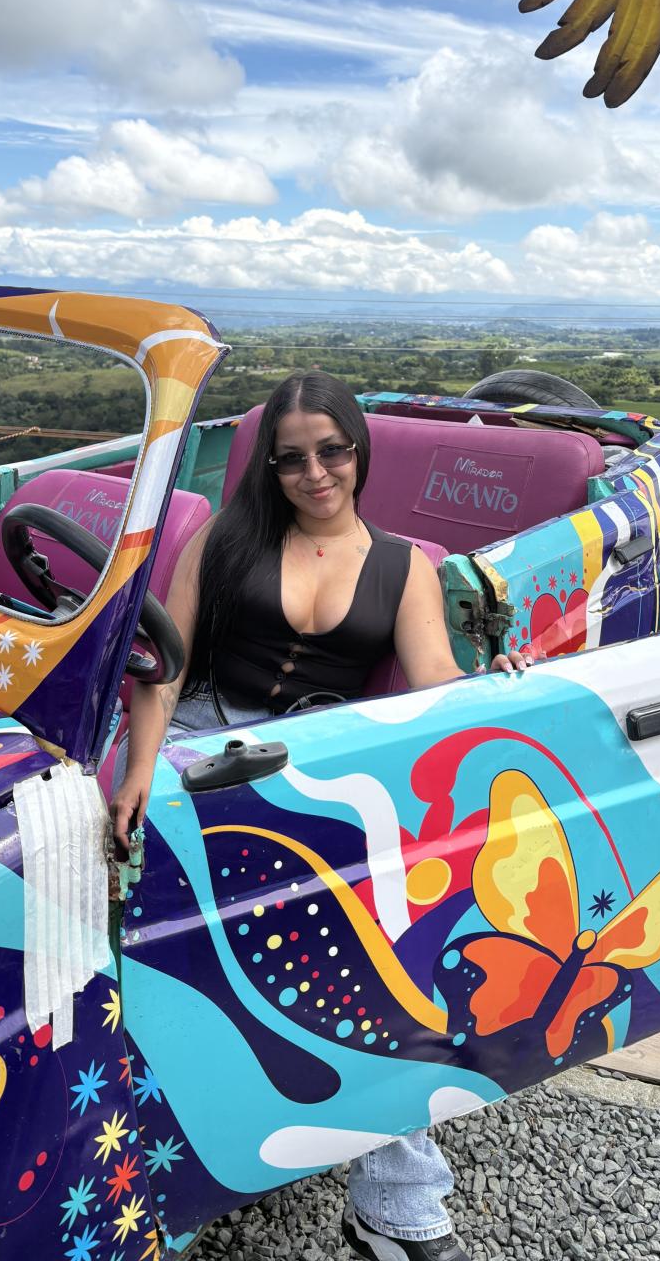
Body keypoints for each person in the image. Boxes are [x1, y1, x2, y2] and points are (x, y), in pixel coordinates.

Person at [111, 371, 528, 1261]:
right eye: (292, 458)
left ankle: (399, 1204)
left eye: (332, 451)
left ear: (358, 450)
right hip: (197, 745)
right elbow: (165, 668)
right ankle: (148, 1162)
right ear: (270, 465)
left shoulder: (403, 567)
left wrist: (497, 686)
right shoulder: (227, 539)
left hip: (318, 767)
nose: (315, 474)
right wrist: (140, 770)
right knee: (141, 936)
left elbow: (436, 688)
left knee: (378, 962)